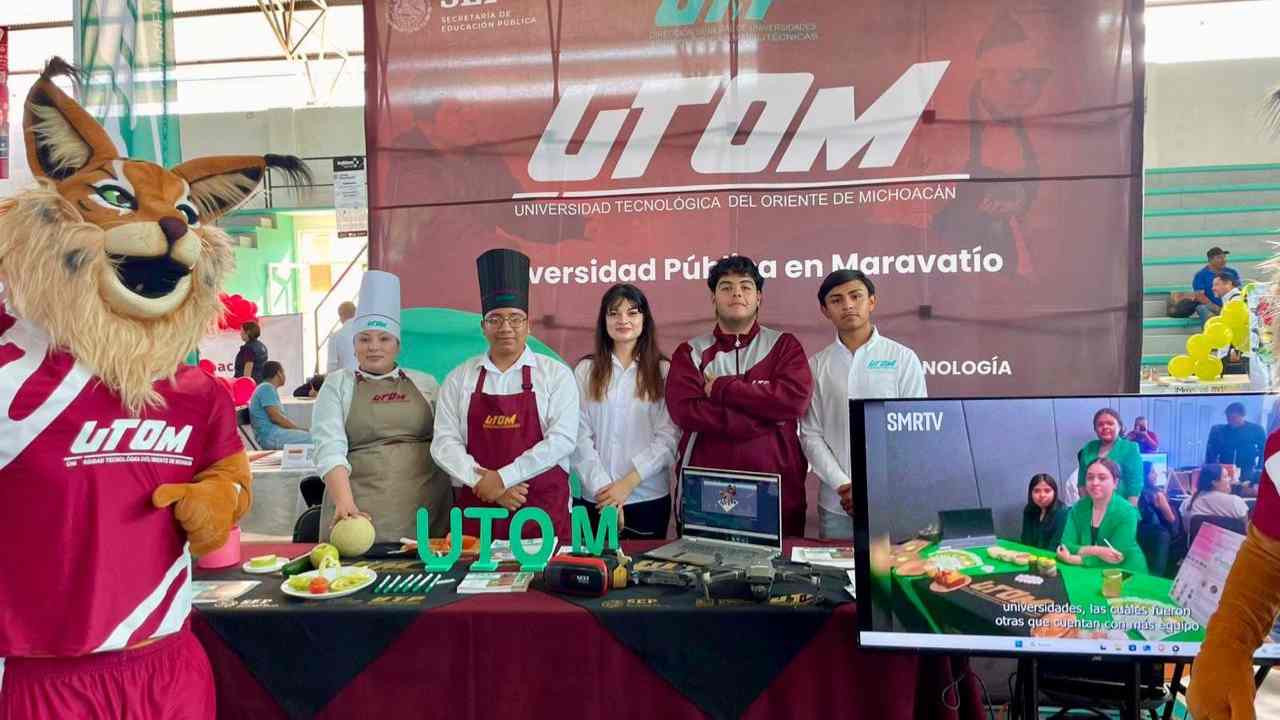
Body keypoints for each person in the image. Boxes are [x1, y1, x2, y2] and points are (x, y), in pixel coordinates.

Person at [433, 249, 580, 541]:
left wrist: (502, 478)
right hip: (479, 517)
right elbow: (444, 443)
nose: (506, 328)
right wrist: (484, 482)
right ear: (483, 327)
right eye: (495, 319)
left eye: (515, 318)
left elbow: (561, 440)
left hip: (542, 517)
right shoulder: (459, 378)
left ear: (528, 325)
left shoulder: (555, 375)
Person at [666, 255, 813, 537]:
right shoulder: (690, 352)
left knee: (779, 564)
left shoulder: (784, 345)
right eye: (726, 287)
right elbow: (686, 411)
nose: (736, 293)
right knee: (703, 563)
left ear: (759, 297)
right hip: (707, 488)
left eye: (745, 286)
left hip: (777, 488)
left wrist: (723, 388)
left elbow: (794, 399)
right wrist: (764, 417)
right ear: (713, 298)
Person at [312, 271, 450, 542]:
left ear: (398, 345)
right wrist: (344, 501)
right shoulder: (337, 385)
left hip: (428, 509)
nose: (374, 347)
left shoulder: (426, 383)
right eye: (364, 339)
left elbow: (449, 440)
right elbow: (329, 447)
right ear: (354, 345)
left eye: (384, 338)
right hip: (358, 511)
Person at [800, 270, 926, 540]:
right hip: (837, 504)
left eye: (855, 296)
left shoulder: (903, 358)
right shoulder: (816, 365)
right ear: (825, 311)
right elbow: (810, 435)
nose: (847, 305)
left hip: (893, 500)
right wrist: (844, 486)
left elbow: (915, 430)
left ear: (871, 301)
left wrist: (875, 489)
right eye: (836, 300)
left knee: (896, 567)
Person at [572, 284, 679, 539]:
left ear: (645, 319)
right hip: (595, 498)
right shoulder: (586, 370)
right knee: (593, 564)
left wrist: (626, 484)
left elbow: (668, 438)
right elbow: (578, 436)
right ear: (604, 320)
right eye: (614, 313)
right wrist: (605, 491)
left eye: (632, 312)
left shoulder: (664, 371)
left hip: (647, 498)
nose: (623, 320)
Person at [1057, 458, 1148, 574]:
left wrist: (1073, 559)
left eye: (1102, 478)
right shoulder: (1078, 508)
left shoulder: (1127, 512)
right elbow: (1066, 545)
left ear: (1115, 483)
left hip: (1127, 571)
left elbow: (1117, 557)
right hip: (1089, 571)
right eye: (1090, 478)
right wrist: (1098, 551)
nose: (1095, 483)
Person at [1077, 408, 1143, 505]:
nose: (1105, 427)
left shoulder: (1130, 448)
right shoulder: (1088, 448)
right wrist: (1086, 508)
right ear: (1095, 429)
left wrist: (1129, 511)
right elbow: (1082, 482)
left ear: (1119, 426)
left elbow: (1135, 485)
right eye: (1100, 424)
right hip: (1092, 506)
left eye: (1110, 423)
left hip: (1121, 507)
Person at [248, 361, 313, 449]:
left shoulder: (266, 388)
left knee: (313, 436)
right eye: (283, 372)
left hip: (273, 435)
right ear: (279, 373)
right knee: (314, 438)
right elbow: (275, 417)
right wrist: (298, 429)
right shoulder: (266, 388)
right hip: (271, 436)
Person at [1180, 462, 1250, 536]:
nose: (1230, 479)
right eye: (1226, 476)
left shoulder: (1187, 503)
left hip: (1197, 543)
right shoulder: (1236, 502)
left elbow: (1187, 532)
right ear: (1214, 482)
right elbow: (1245, 532)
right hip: (1232, 543)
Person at [1204, 401, 1267, 483]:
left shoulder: (1256, 430)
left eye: (1234, 418)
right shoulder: (1219, 431)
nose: (1230, 421)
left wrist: (1260, 469)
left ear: (1243, 416)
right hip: (1225, 470)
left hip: (1247, 469)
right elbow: (1211, 452)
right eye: (1228, 417)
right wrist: (1211, 469)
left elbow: (1264, 450)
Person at [1137, 462, 1177, 576]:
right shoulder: (1157, 495)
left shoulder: (1136, 492)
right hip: (1159, 534)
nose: (1156, 475)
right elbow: (1170, 518)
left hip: (1140, 532)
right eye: (1152, 472)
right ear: (1145, 475)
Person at [1193, 247, 1241, 326]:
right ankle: (1211, 329)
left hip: (1230, 305)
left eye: (1224, 257)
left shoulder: (1232, 272)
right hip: (1211, 307)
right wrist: (1217, 309)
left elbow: (1238, 290)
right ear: (1210, 260)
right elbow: (1199, 295)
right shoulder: (1201, 275)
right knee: (1201, 308)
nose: (1223, 260)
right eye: (1219, 258)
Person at [1020, 473, 1068, 551]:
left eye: (1047, 491)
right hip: (1030, 555)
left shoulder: (1063, 513)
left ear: (1054, 492)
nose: (1042, 495)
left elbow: (1056, 546)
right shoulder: (1028, 510)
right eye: (1036, 491)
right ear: (1030, 493)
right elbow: (1025, 540)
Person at [327, 301, 358, 372]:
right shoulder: (367, 332)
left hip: (345, 377)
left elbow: (331, 367)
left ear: (341, 316)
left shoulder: (335, 336)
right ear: (356, 313)